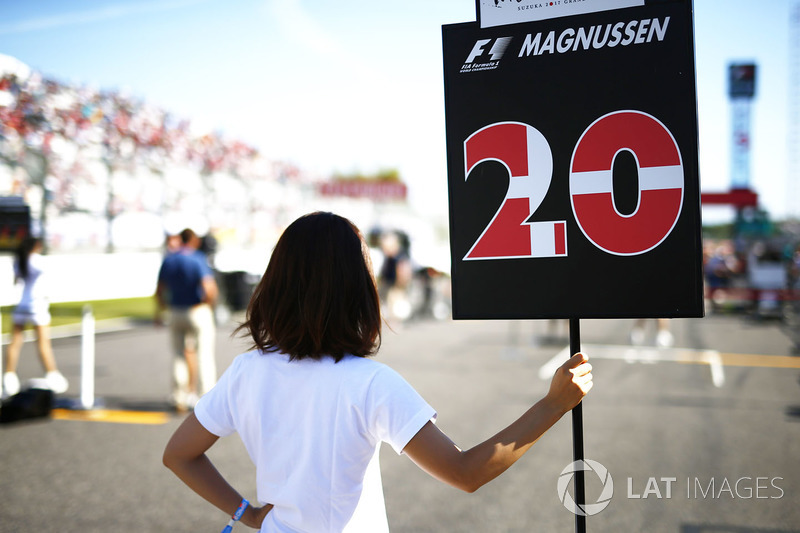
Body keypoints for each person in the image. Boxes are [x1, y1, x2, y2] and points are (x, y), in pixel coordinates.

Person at [163, 212, 593, 532]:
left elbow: (179, 453)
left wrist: (247, 514)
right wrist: (554, 404)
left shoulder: (246, 370)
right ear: (357, 288)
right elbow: (465, 473)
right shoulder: (369, 383)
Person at [155, 228, 219, 411]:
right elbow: (209, 288)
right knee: (204, 354)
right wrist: (208, 304)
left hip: (175, 310)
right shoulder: (197, 258)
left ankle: (178, 396)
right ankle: (206, 396)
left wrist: (162, 309)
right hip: (197, 310)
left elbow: (159, 290)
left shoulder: (169, 259)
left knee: (178, 355)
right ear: (193, 240)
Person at [2, 236, 68, 397]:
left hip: (22, 304)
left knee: (15, 343)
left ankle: (9, 377)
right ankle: (52, 375)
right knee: (43, 344)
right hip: (37, 305)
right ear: (36, 246)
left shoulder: (19, 261)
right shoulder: (37, 261)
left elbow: (16, 281)